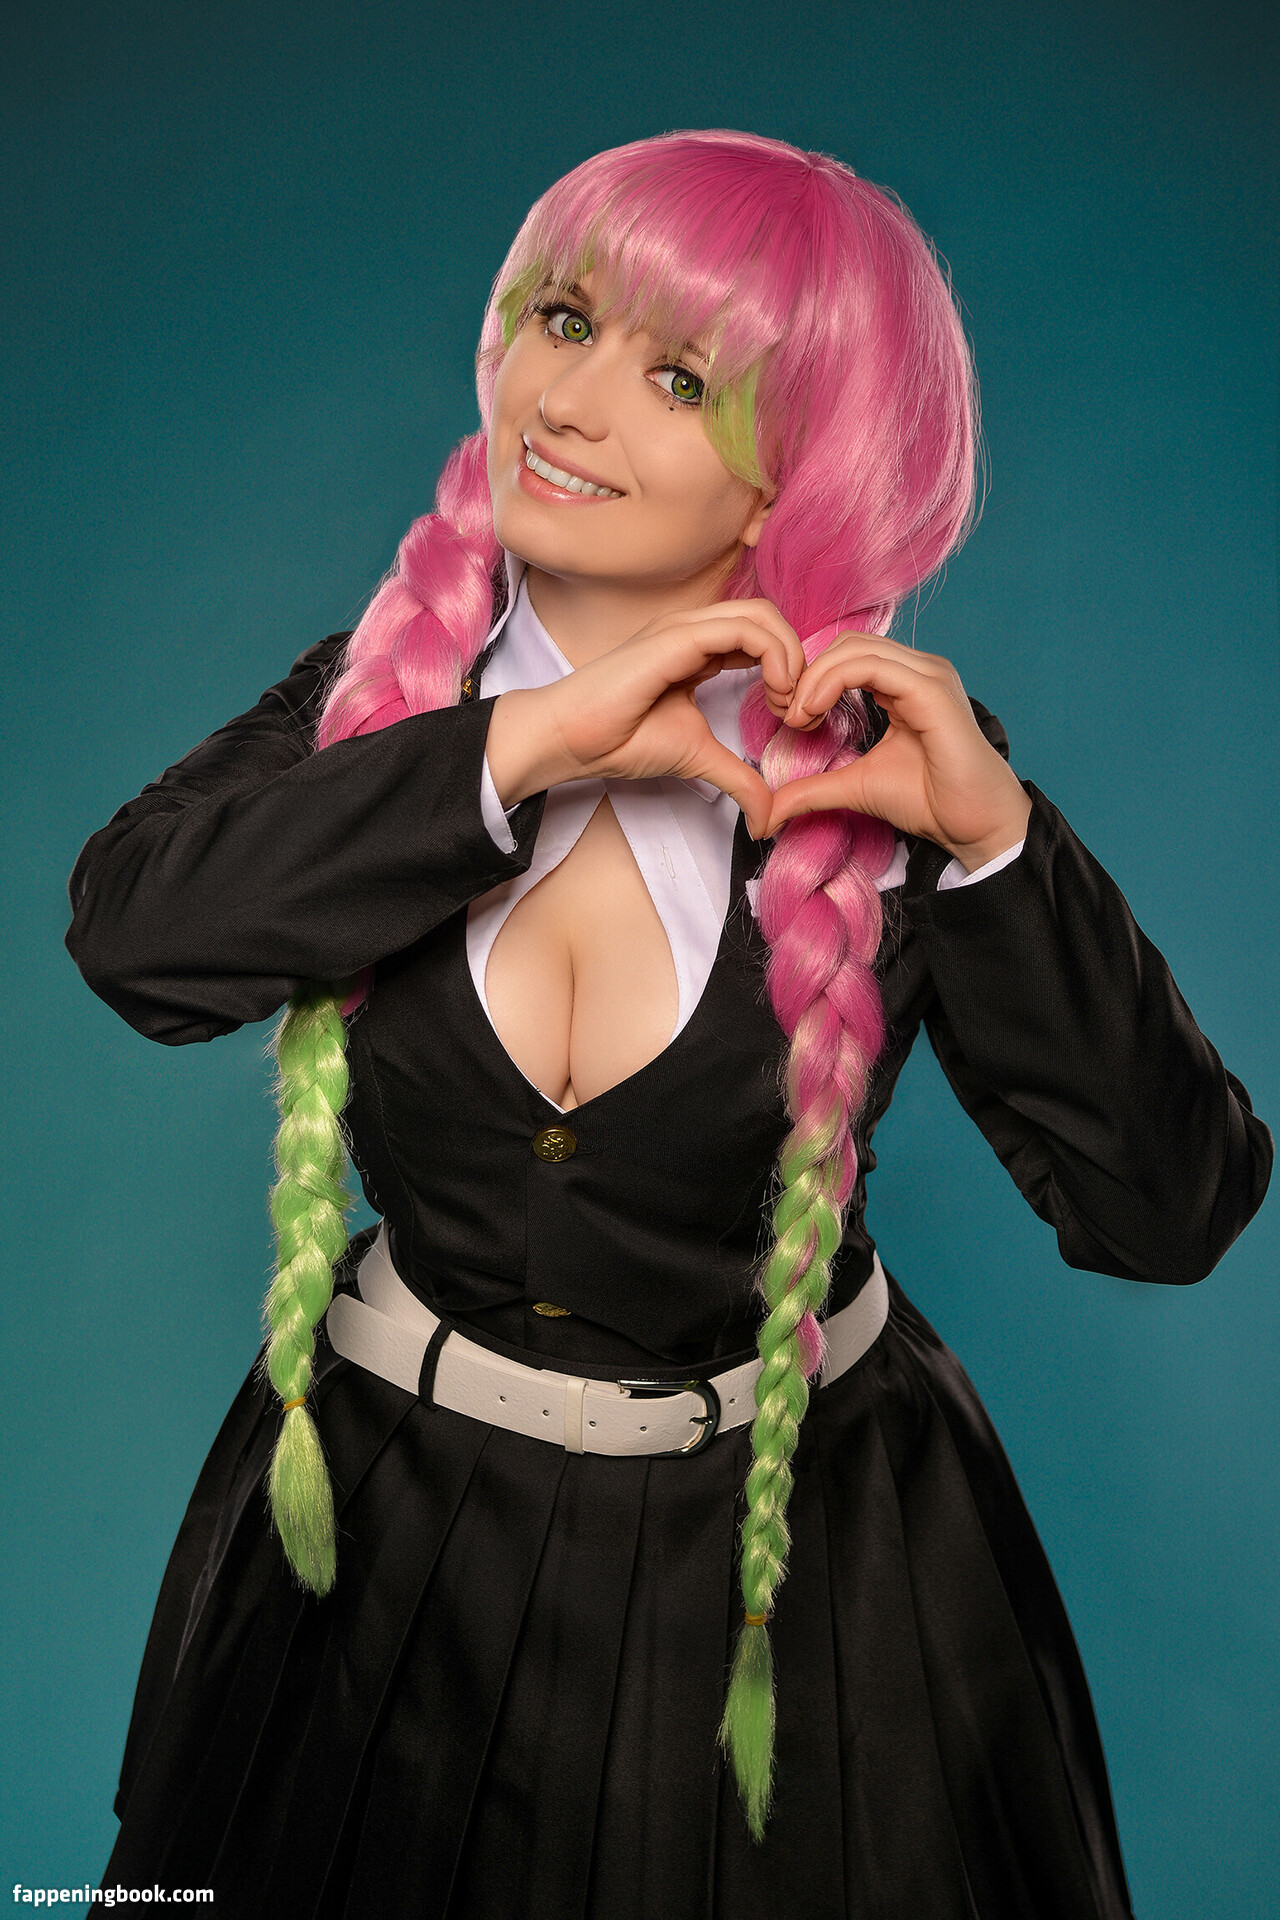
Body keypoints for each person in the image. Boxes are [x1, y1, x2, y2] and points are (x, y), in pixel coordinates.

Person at [66, 130, 1271, 1919]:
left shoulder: (901, 776)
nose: (568, 400)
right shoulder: (378, 702)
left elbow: (1167, 1213)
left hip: (813, 1588)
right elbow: (135, 941)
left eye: (682, 377)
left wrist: (1003, 852)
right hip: (373, 1577)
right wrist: (525, 750)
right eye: (562, 319)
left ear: (807, 468)